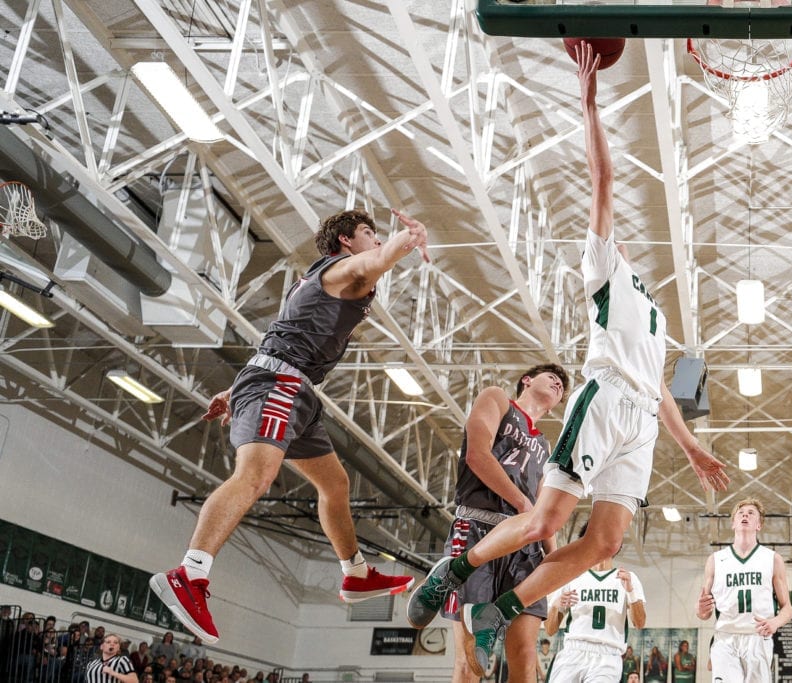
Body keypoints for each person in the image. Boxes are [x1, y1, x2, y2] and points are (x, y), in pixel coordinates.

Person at [405, 40, 729, 676]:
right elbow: (602, 180)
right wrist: (589, 103)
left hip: (640, 420)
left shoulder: (655, 312)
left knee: (606, 540)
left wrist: (687, 444)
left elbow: (662, 387)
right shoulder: (603, 266)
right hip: (604, 400)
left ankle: (496, 611)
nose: (622, 238)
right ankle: (456, 569)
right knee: (543, 521)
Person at [150, 208, 430, 643]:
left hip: (291, 386)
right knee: (255, 478)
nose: (375, 240)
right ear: (345, 242)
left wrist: (237, 386)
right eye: (367, 233)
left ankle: (355, 574)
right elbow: (375, 262)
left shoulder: (332, 284)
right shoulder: (342, 270)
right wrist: (407, 238)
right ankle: (190, 574)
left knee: (334, 485)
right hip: (280, 383)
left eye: (377, 234)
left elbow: (285, 334)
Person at [439, 363, 569, 683]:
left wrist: (554, 563)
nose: (557, 382)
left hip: (524, 549)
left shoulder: (545, 446)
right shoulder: (497, 399)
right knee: (471, 661)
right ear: (526, 380)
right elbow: (477, 456)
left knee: (524, 659)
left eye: (562, 386)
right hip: (478, 531)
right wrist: (524, 505)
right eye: (550, 377)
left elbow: (543, 507)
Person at [695, 499, 792, 683]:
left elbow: (787, 608)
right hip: (725, 638)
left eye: (751, 512)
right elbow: (703, 612)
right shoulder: (716, 560)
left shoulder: (772, 559)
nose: (745, 514)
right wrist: (701, 610)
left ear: (759, 525)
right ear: (733, 523)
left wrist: (776, 622)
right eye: (740, 513)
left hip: (758, 637)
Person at [543, 523, 646, 683]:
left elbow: (639, 623)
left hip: (608, 655)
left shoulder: (627, 578)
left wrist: (631, 592)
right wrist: (556, 605)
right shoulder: (572, 576)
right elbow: (550, 630)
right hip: (573, 652)